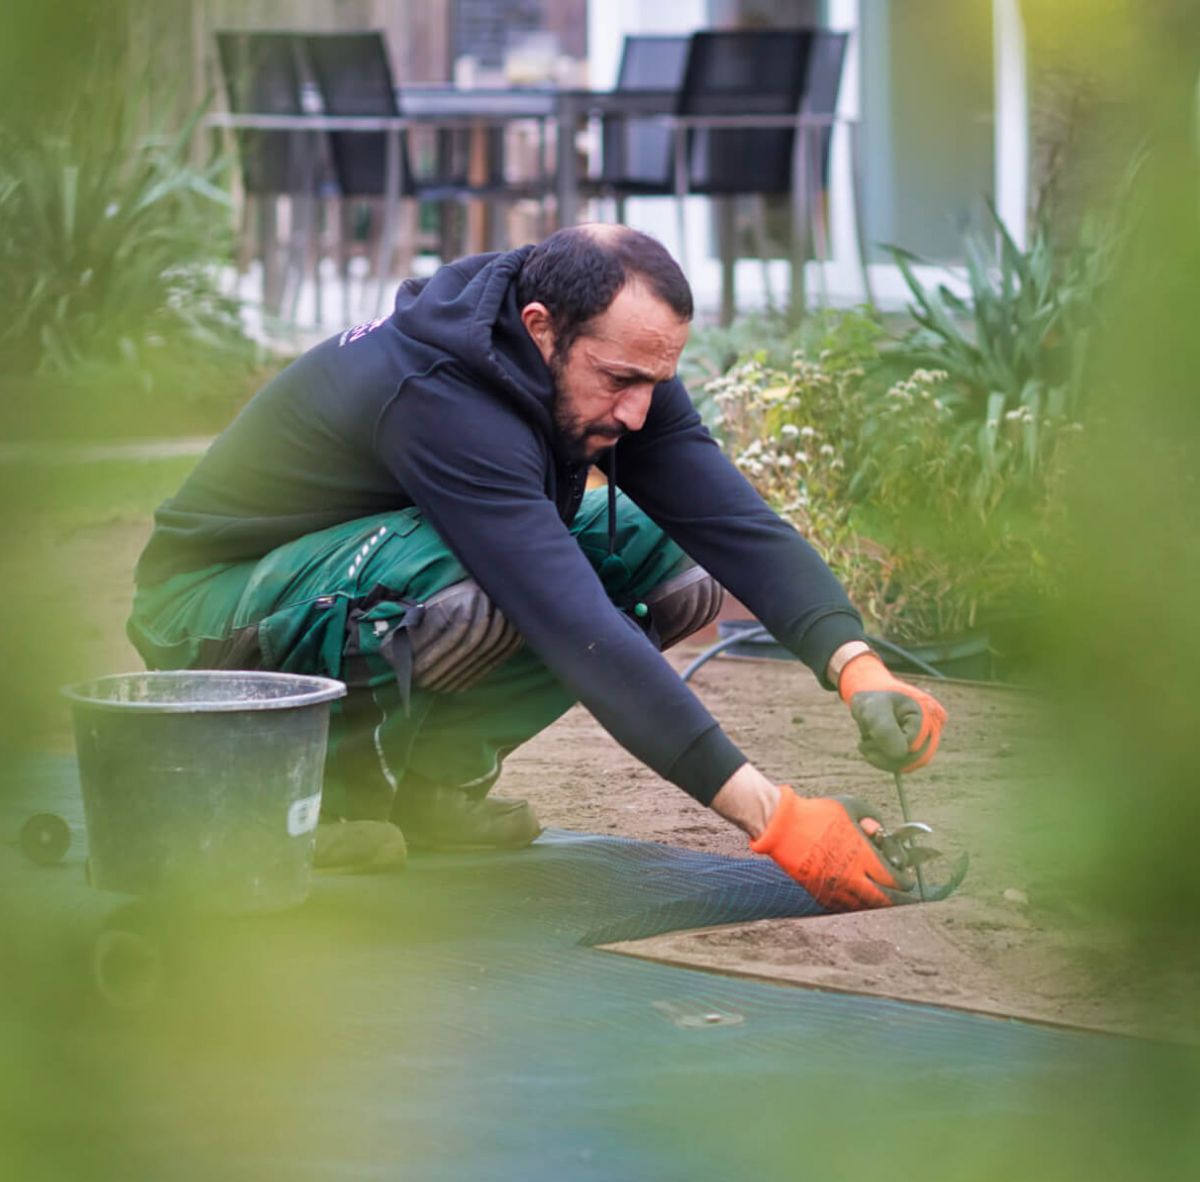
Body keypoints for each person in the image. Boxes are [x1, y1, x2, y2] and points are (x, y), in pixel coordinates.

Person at [128, 225, 947, 910]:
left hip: (351, 574)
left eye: (655, 381)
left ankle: (436, 786)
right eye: (620, 380)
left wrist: (854, 664)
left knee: (670, 558)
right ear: (541, 326)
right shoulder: (440, 394)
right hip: (210, 611)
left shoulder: (611, 362)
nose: (637, 411)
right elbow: (571, 621)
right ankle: (322, 794)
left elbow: (730, 522)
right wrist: (774, 817)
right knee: (477, 583)